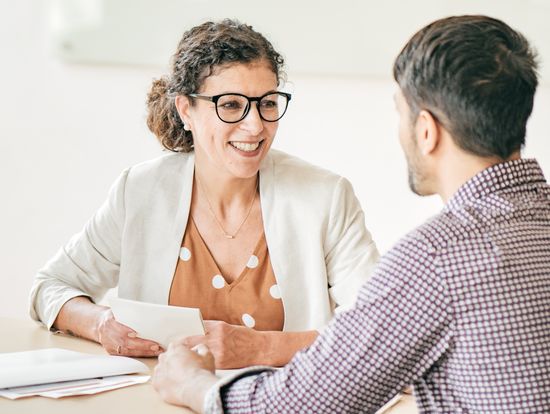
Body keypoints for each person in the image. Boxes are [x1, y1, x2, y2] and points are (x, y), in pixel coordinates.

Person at [152, 15, 550, 413]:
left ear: (426, 131)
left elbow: (302, 404)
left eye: (401, 112)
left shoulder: (437, 259)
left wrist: (195, 386)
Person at [29, 19, 379, 369]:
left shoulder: (326, 197)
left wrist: (263, 349)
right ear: (186, 110)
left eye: (268, 103)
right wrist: (101, 323)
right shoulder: (139, 191)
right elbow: (50, 286)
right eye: (230, 105)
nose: (255, 125)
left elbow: (379, 329)